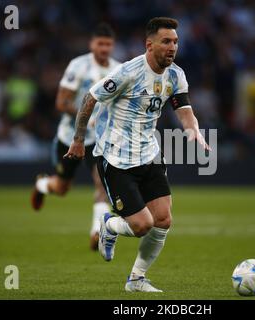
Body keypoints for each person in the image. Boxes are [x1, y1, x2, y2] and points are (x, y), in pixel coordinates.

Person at [64, 17, 210, 292]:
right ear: (149, 44)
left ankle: (136, 280)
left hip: (149, 155)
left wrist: (194, 131)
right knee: (143, 225)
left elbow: (185, 110)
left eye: (175, 42)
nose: (172, 47)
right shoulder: (128, 72)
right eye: (166, 41)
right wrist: (79, 140)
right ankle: (109, 225)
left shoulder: (176, 75)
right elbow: (89, 99)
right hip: (117, 160)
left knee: (164, 220)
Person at [31, 23, 120, 251]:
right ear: (92, 44)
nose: (104, 48)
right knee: (62, 188)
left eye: (108, 44)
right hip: (70, 137)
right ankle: (42, 184)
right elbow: (61, 102)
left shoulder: (119, 69)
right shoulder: (78, 66)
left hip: (98, 141)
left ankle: (97, 232)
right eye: (100, 44)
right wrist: (86, 116)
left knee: (102, 184)